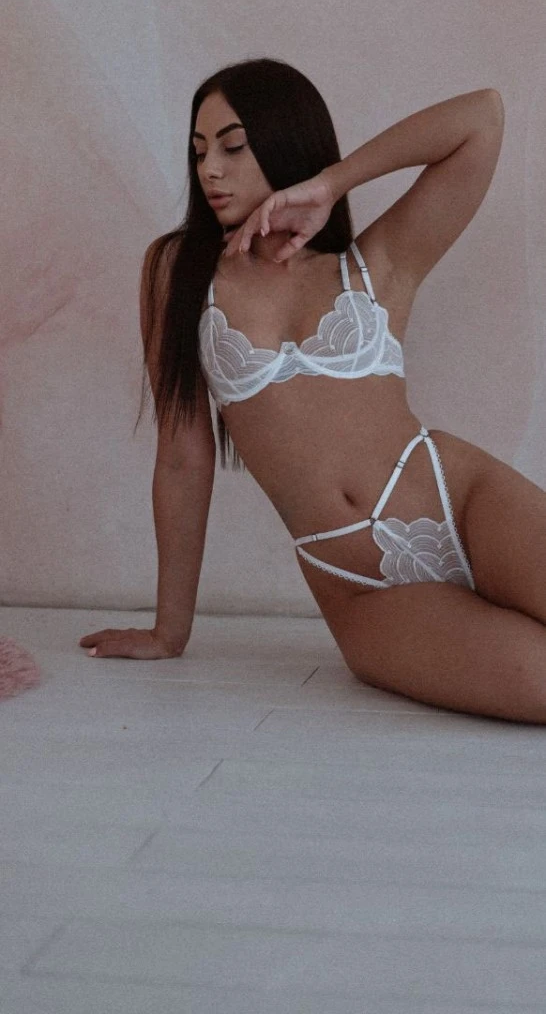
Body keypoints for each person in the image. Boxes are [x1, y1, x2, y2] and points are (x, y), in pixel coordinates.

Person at [81, 58, 546, 724]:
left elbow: (482, 118)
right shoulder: (177, 272)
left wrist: (331, 184)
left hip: (462, 499)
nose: (210, 169)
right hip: (357, 587)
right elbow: (184, 458)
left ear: (285, 141)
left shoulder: (376, 262)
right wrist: (169, 631)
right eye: (199, 150)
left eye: (233, 147)